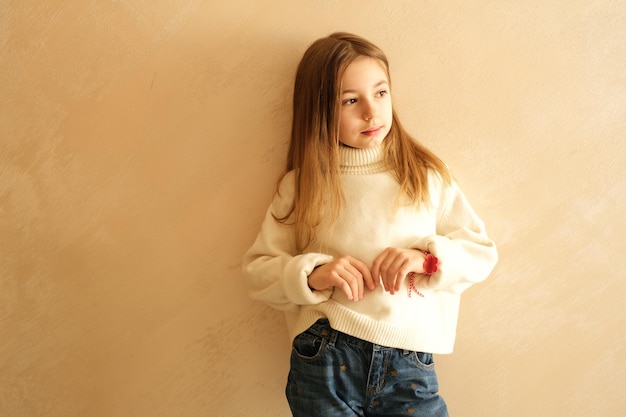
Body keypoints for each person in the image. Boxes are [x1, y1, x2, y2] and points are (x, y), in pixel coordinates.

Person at [242, 32, 498, 417]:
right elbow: (258, 271)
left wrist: (426, 259)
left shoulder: (424, 176)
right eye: (350, 100)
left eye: (380, 93)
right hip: (325, 355)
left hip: (409, 361)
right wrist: (314, 274)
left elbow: (481, 253)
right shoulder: (303, 184)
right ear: (319, 109)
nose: (371, 112)